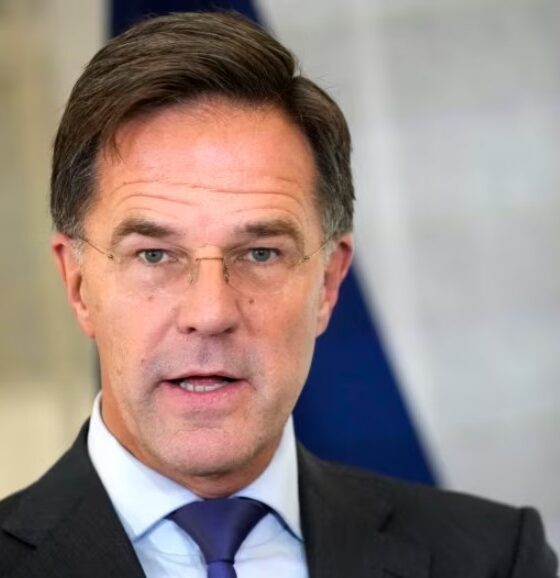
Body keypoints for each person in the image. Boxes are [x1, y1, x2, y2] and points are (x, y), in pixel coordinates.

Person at [0, 11, 557, 578]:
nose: (210, 313)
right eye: (154, 255)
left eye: (261, 253)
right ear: (78, 284)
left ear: (329, 283)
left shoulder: (495, 560)